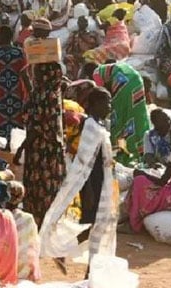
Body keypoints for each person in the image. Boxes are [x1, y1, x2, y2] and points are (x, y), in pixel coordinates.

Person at [40, 87, 118, 276]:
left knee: (99, 225)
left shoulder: (99, 125)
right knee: (96, 224)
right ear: (94, 104)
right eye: (106, 102)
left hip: (103, 181)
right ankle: (66, 253)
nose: (109, 106)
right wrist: (88, 190)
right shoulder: (90, 125)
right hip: (93, 183)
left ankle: (89, 269)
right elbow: (85, 161)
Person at [20, 26, 65, 226]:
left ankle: (38, 224)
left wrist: (22, 147)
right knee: (51, 188)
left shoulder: (42, 95)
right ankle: (49, 224)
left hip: (39, 150)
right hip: (53, 150)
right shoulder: (55, 93)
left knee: (37, 187)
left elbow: (36, 125)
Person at [93, 62, 150, 165]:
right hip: (137, 82)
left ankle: (124, 154)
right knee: (137, 116)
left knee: (118, 122)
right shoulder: (117, 67)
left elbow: (102, 93)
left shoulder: (96, 74)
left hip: (122, 83)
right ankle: (142, 152)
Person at [0, 26, 25, 141]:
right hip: (16, 95)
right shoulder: (20, 52)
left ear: (1, 37)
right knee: (16, 124)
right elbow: (24, 74)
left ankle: (1, 148)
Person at [6, 181, 41, 282]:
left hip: (5, 271)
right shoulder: (28, 218)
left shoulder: (0, 217)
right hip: (24, 272)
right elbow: (34, 246)